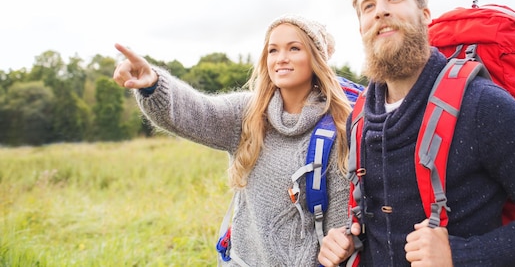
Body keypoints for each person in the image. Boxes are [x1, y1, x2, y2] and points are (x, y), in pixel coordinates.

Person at [318, 0, 515, 267]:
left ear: (424, 16)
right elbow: (377, 223)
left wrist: (460, 255)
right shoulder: (360, 117)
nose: (380, 11)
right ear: (362, 27)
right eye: (368, 6)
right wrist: (345, 241)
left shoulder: (483, 105)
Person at [113, 14, 356, 267]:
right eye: (273, 50)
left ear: (316, 59)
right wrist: (152, 83)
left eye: (294, 48)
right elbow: (196, 112)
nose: (281, 58)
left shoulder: (336, 130)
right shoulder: (248, 114)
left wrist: (341, 242)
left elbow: (339, 225)